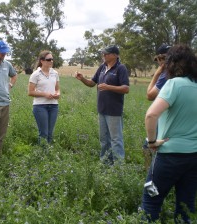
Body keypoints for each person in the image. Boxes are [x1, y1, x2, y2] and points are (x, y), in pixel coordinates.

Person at [142, 44, 197, 223]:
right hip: (194, 156)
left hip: (169, 154)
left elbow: (151, 114)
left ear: (171, 64)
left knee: (151, 202)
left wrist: (151, 142)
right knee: (186, 206)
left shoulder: (173, 84)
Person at [75, 45, 129, 165]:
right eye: (103, 54)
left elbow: (126, 88)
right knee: (104, 139)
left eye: (107, 54)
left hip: (114, 110)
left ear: (115, 55)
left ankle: (119, 168)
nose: (104, 55)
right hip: (102, 109)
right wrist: (82, 78)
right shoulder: (102, 67)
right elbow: (92, 83)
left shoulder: (121, 68)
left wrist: (108, 87)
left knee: (116, 140)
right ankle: (105, 163)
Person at [142, 44, 171, 170]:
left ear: (162, 59)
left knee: (149, 145)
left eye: (159, 60)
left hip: (165, 115)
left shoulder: (165, 74)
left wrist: (156, 74)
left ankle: (150, 171)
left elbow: (150, 95)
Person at [28, 50, 60, 145]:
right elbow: (30, 92)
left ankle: (48, 155)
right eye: (48, 59)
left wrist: (57, 94)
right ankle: (42, 155)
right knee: (44, 133)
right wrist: (44, 94)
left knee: (50, 133)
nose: (51, 61)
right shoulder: (35, 74)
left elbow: (57, 89)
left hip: (54, 106)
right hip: (40, 106)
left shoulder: (55, 73)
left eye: (52, 59)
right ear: (42, 61)